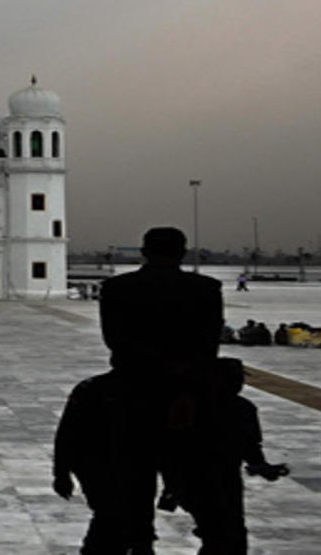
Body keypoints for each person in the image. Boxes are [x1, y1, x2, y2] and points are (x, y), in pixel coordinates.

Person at [96, 226, 224, 552]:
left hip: (133, 398)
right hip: (190, 402)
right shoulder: (206, 289)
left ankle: (140, 544)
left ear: (143, 251)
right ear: (183, 252)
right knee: (204, 492)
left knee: (132, 487)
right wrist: (184, 382)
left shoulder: (117, 288)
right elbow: (208, 346)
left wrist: (157, 366)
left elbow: (117, 341)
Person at [171, 358, 289, 554]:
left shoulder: (190, 406)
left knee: (220, 533)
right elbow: (251, 448)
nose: (239, 384)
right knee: (226, 534)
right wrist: (260, 466)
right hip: (208, 480)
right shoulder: (240, 408)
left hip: (208, 480)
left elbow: (251, 448)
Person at [53, 369, 147, 554]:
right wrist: (61, 472)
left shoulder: (91, 388)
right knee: (114, 517)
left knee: (123, 519)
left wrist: (61, 472)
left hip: (125, 467)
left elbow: (66, 433)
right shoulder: (92, 389)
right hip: (103, 466)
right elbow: (68, 433)